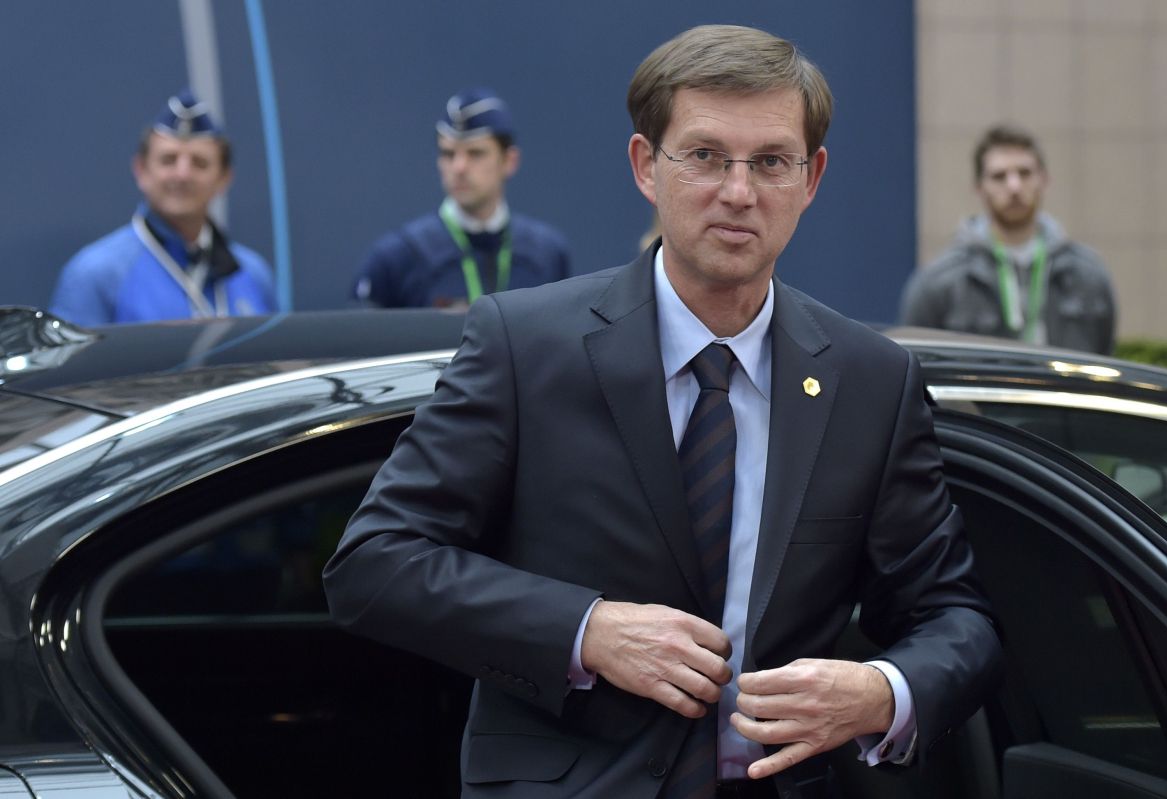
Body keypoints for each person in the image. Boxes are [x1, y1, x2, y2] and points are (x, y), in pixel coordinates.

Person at [324, 24, 1001, 799]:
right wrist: (587, 630)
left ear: (811, 178)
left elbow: (956, 618)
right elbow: (374, 563)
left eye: (770, 161)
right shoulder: (527, 346)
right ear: (647, 165)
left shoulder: (869, 380)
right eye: (706, 156)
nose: (739, 192)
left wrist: (881, 691)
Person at [49, 90, 276, 326]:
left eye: (199, 163)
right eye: (169, 160)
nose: (183, 175)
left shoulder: (253, 274)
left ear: (224, 178)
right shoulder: (95, 274)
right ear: (141, 170)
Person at [900, 124, 1116, 354]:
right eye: (999, 176)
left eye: (1025, 173)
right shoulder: (940, 281)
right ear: (979, 188)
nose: (1014, 187)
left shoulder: (1087, 274)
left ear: (1044, 180)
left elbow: (1102, 356)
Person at [351, 87, 570, 308]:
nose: (459, 167)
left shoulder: (547, 253)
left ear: (509, 161)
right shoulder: (397, 257)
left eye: (475, 153)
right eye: (448, 154)